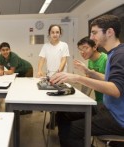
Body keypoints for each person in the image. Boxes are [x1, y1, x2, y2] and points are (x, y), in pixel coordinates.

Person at [50, 15, 124, 147]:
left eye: (94, 32)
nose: (91, 37)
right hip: (107, 108)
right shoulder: (113, 53)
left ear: (110, 32)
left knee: (69, 131)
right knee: (63, 113)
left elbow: (116, 90)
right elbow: (108, 79)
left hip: (118, 118)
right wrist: (89, 72)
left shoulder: (120, 55)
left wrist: (78, 77)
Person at [0, 42, 33, 115]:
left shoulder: (13, 56)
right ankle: (18, 107)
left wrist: (2, 72)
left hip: (27, 69)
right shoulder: (0, 57)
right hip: (18, 72)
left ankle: (29, 109)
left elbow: (11, 71)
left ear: (10, 50)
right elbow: (2, 69)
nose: (5, 52)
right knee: (18, 89)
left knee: (25, 89)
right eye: (3, 50)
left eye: (7, 50)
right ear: (0, 51)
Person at [75, 37, 107, 102]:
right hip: (99, 101)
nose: (82, 52)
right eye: (80, 49)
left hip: (110, 103)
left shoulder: (106, 59)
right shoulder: (90, 61)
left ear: (94, 47)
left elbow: (111, 80)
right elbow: (89, 80)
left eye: (85, 48)